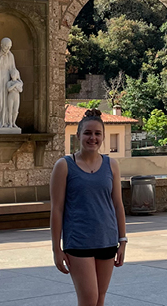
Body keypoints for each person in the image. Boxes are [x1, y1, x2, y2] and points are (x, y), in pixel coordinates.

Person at [50, 109, 128, 306]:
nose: (92, 138)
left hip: (107, 240)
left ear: (103, 136)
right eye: (87, 133)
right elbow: (57, 209)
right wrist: (56, 248)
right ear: (78, 135)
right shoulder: (64, 165)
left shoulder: (111, 165)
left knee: (100, 299)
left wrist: (123, 240)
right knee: (88, 299)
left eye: (97, 133)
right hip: (78, 242)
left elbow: (117, 204)